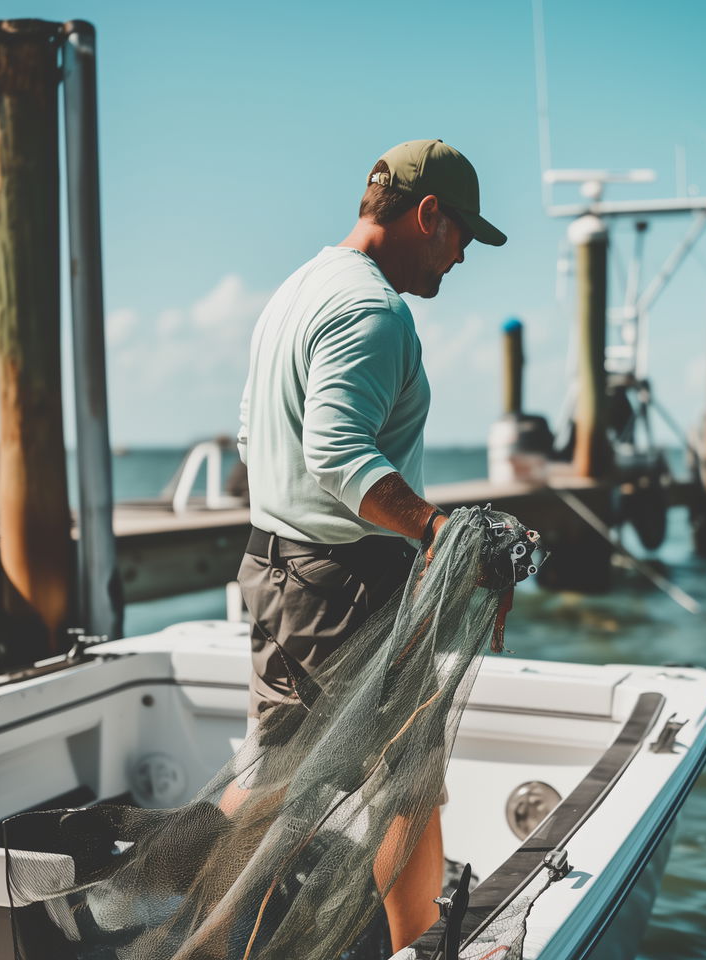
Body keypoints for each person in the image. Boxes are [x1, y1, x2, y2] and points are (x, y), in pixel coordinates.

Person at [235, 138, 506, 951]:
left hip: (277, 569)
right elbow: (339, 453)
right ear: (429, 216)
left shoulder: (298, 289)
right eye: (461, 236)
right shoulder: (373, 310)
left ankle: (203, 909)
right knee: (406, 789)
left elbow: (255, 437)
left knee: (279, 782)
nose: (461, 257)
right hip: (346, 586)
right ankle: (417, 949)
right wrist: (436, 529)